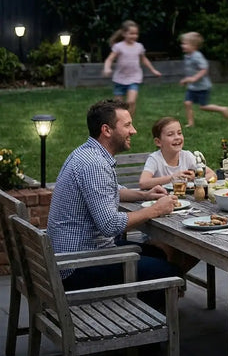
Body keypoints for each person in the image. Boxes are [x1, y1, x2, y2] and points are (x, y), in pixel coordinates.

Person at [47, 99, 180, 309]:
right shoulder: (95, 165)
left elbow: (111, 189)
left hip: (71, 255)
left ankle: (141, 314)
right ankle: (146, 336)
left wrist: (145, 196)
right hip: (78, 266)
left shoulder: (86, 153)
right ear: (106, 130)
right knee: (164, 271)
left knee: (158, 254)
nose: (134, 131)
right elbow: (109, 225)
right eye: (127, 125)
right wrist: (156, 209)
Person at [102, 20, 162, 118]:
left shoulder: (139, 46)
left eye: (136, 34)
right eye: (131, 33)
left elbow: (144, 59)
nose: (134, 36)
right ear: (124, 33)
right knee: (118, 105)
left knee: (131, 101)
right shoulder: (118, 46)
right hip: (120, 79)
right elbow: (109, 59)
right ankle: (120, 121)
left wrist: (153, 70)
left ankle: (129, 121)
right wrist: (107, 68)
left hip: (134, 78)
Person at [139, 116, 213, 189]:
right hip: (162, 198)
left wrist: (196, 179)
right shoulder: (155, 159)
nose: (177, 137)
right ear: (158, 142)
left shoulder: (186, 156)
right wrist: (173, 178)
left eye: (179, 133)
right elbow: (143, 182)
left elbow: (211, 174)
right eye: (170, 134)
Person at [179, 31, 228, 126]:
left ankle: (223, 109)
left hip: (202, 87)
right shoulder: (187, 56)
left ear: (193, 46)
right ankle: (190, 123)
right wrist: (187, 80)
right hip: (192, 87)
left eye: (185, 43)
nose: (182, 45)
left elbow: (204, 69)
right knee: (187, 103)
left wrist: (194, 78)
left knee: (203, 106)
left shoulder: (197, 56)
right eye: (183, 43)